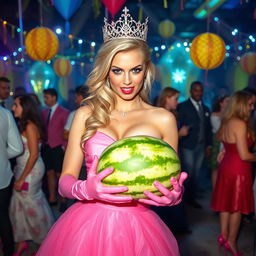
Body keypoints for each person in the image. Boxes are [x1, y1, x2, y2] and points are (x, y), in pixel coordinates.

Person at [36, 7, 187, 256]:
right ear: (106, 71)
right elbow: (65, 181)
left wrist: (174, 195)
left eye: (135, 70)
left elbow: (169, 180)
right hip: (85, 225)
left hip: (139, 228)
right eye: (117, 70)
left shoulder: (163, 119)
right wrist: (86, 189)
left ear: (147, 70)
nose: (126, 80)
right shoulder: (86, 114)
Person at [211, 90, 255, 255]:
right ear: (242, 105)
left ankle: (223, 236)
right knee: (237, 208)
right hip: (238, 168)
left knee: (225, 205)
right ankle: (232, 242)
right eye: (250, 104)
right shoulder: (241, 124)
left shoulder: (226, 120)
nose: (252, 107)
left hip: (226, 165)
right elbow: (244, 154)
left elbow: (225, 145)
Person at [10, 95, 54, 256]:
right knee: (19, 205)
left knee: (31, 206)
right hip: (25, 168)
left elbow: (34, 154)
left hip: (31, 171)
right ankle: (22, 241)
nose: (13, 108)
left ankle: (44, 242)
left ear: (25, 107)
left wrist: (22, 178)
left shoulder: (29, 126)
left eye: (16, 105)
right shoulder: (25, 124)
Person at [177, 81, 212, 209]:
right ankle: (184, 200)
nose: (198, 93)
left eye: (200, 90)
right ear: (191, 91)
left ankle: (191, 198)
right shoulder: (183, 106)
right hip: (188, 146)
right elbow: (178, 126)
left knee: (196, 174)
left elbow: (208, 129)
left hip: (201, 146)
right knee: (188, 174)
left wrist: (209, 145)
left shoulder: (206, 108)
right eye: (196, 90)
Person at [0, 106, 23, 256]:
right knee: (2, 215)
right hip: (3, 176)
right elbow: (17, 148)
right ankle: (8, 251)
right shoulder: (5, 113)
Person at [41, 88, 69, 205]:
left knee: (60, 174)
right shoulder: (44, 112)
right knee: (49, 172)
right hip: (47, 146)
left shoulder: (64, 112)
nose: (45, 100)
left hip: (58, 147)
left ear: (54, 97)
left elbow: (67, 132)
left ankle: (63, 198)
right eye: (44, 97)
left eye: (46, 97)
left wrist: (64, 147)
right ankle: (52, 197)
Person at [209, 95, 229, 188]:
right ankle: (214, 191)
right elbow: (219, 131)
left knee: (224, 168)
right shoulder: (214, 115)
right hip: (217, 143)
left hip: (227, 143)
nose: (229, 103)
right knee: (215, 168)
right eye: (227, 101)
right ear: (221, 103)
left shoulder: (230, 115)